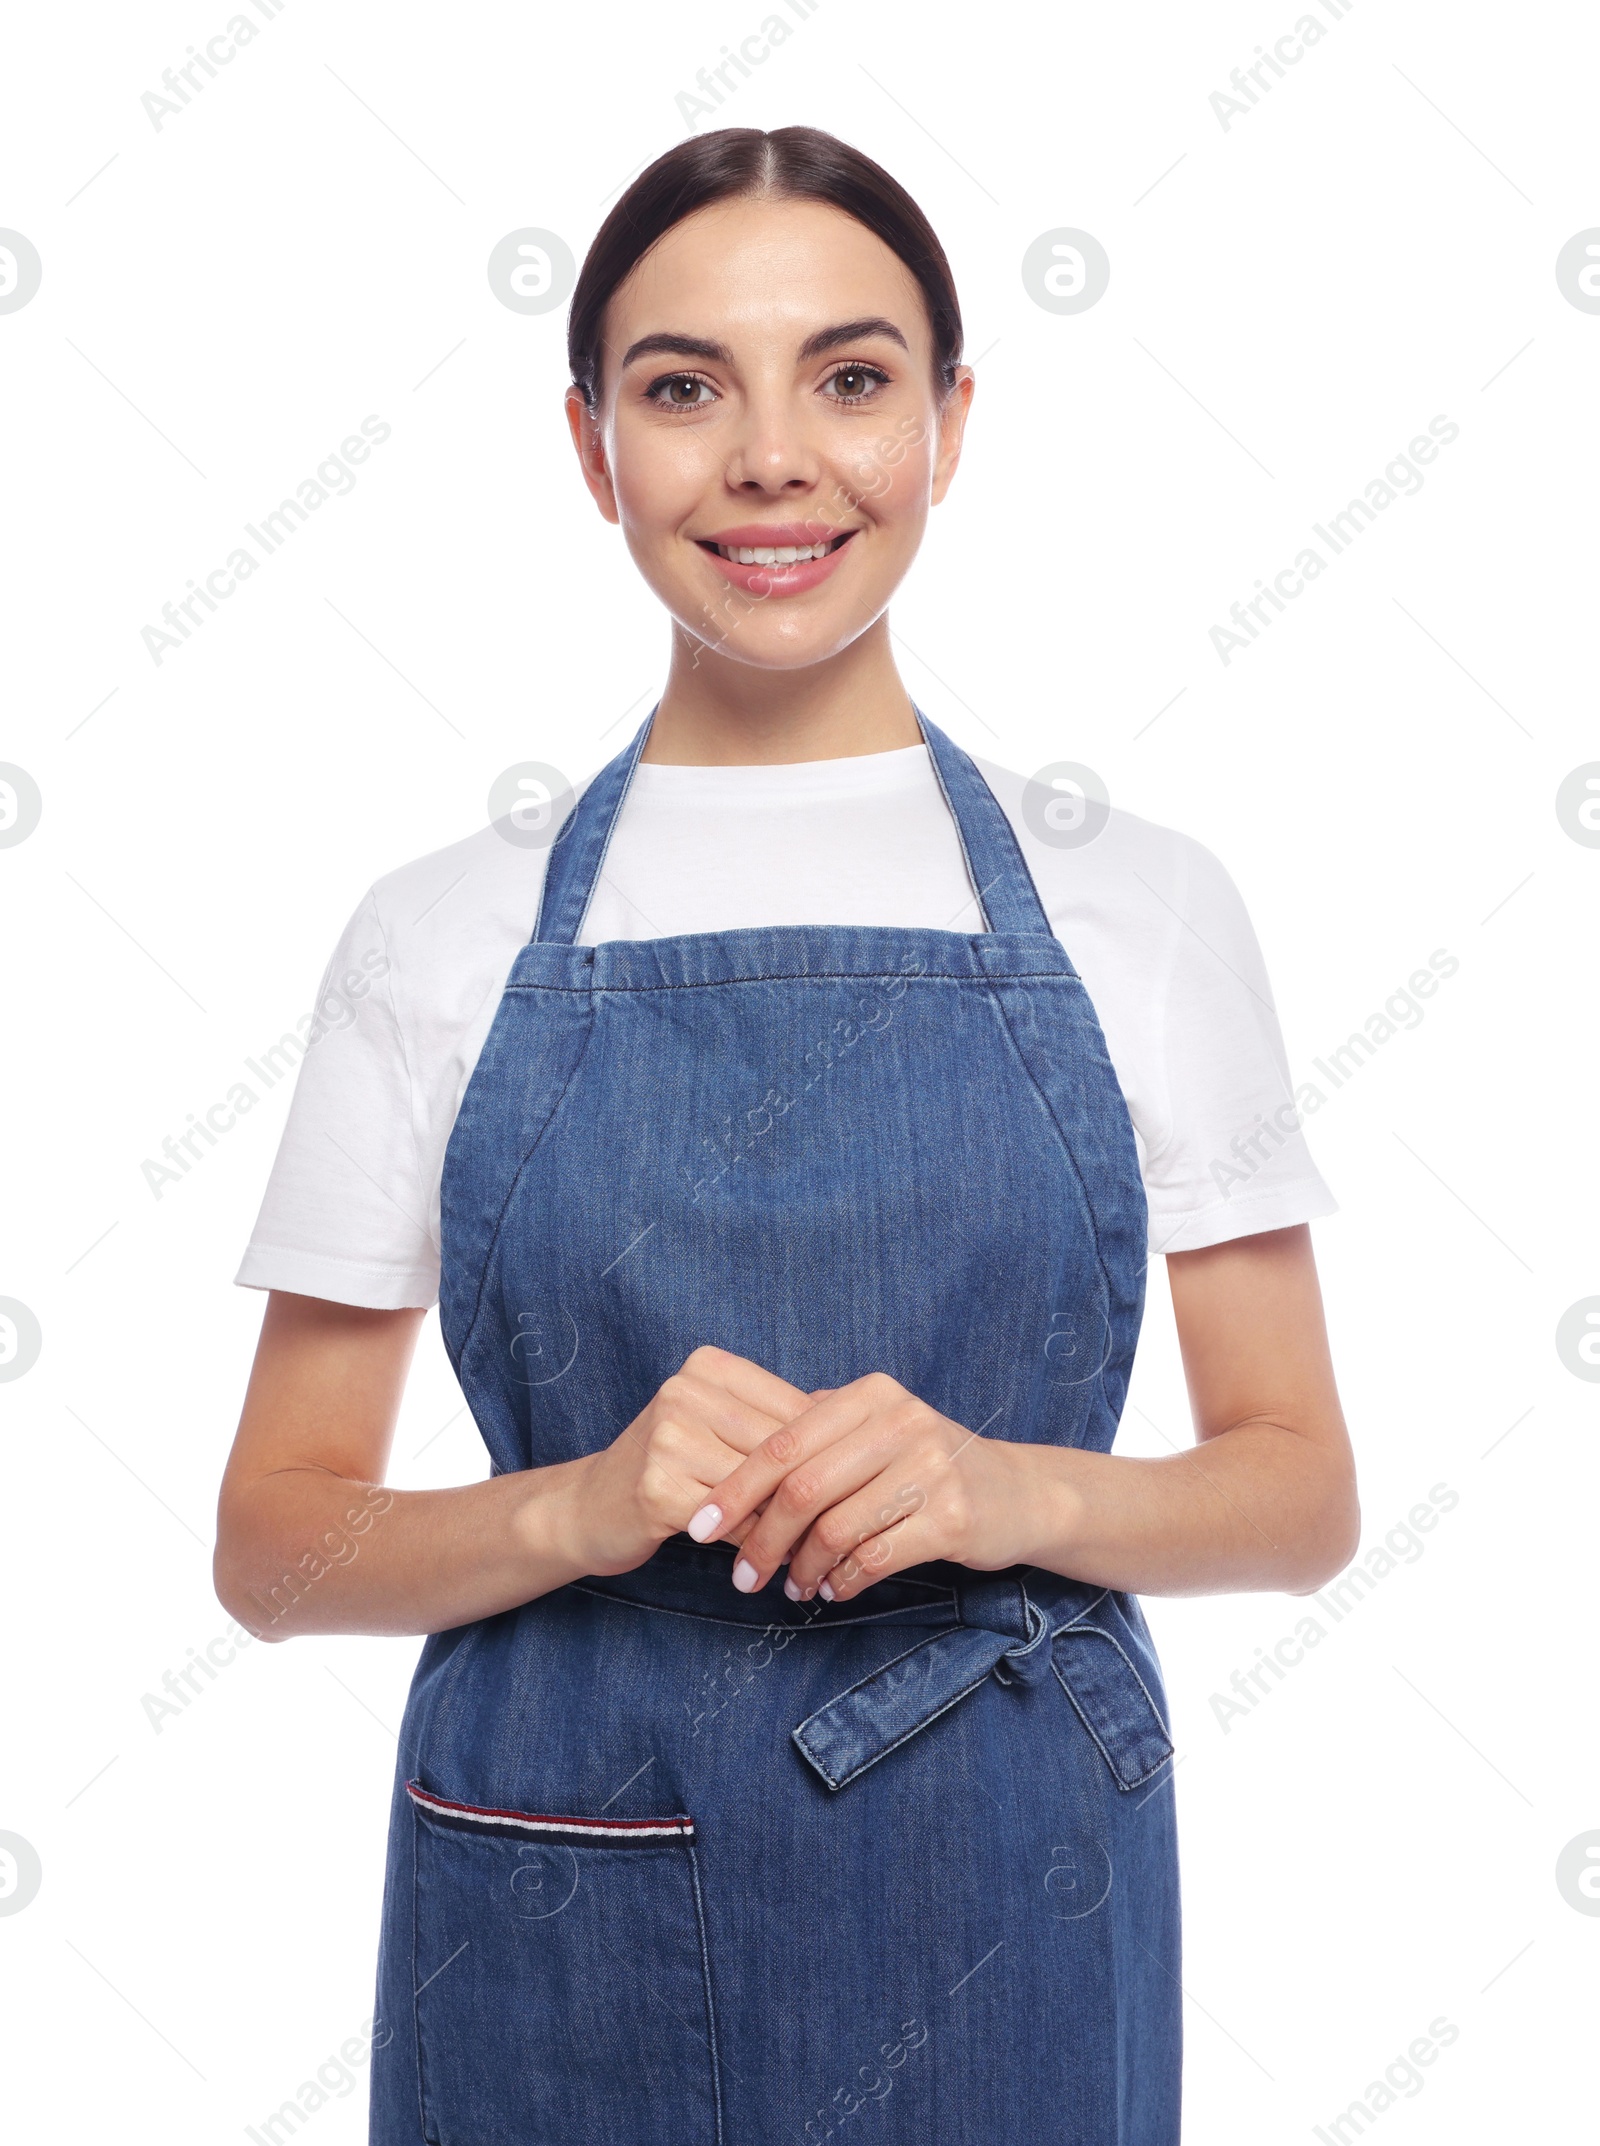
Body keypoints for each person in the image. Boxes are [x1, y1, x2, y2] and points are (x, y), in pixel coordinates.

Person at [215, 124, 1358, 2146]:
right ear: (589, 446)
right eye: (681, 387)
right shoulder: (435, 931)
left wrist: (1001, 1483)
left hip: (1009, 1847)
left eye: (848, 377)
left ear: (948, 421)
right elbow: (274, 1543)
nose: (769, 458)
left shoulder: (1142, 906)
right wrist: (579, 1504)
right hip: (549, 1842)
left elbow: (1298, 1492)